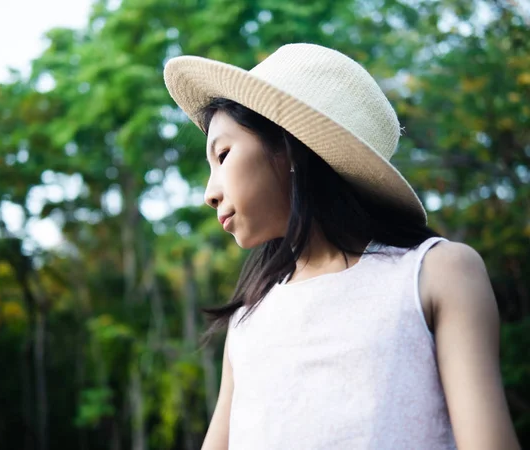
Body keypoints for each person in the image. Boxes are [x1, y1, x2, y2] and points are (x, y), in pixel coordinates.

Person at [163, 43, 520, 449]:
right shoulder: (249, 318)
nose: (209, 193)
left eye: (223, 154)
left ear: (289, 146)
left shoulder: (437, 273)